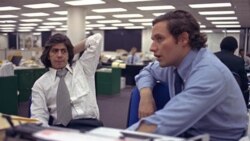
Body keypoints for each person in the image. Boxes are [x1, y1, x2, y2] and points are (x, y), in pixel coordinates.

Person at [128, 10, 248, 141]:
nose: (152, 47)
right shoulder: (174, 64)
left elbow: (166, 121)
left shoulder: (208, 72)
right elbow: (146, 71)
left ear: (183, 39)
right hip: (186, 134)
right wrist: (146, 96)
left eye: (159, 39)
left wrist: (122, 138)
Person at [31, 33, 103, 131]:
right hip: (61, 130)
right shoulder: (40, 84)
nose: (59, 55)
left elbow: (97, 39)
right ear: (48, 55)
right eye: (55, 51)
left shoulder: (83, 68)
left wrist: (70, 52)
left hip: (90, 126)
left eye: (63, 51)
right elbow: (38, 117)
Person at [215, 36, 249, 108]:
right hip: (232, 100)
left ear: (221, 46)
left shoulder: (211, 57)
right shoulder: (239, 61)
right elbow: (244, 85)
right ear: (235, 48)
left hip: (212, 97)